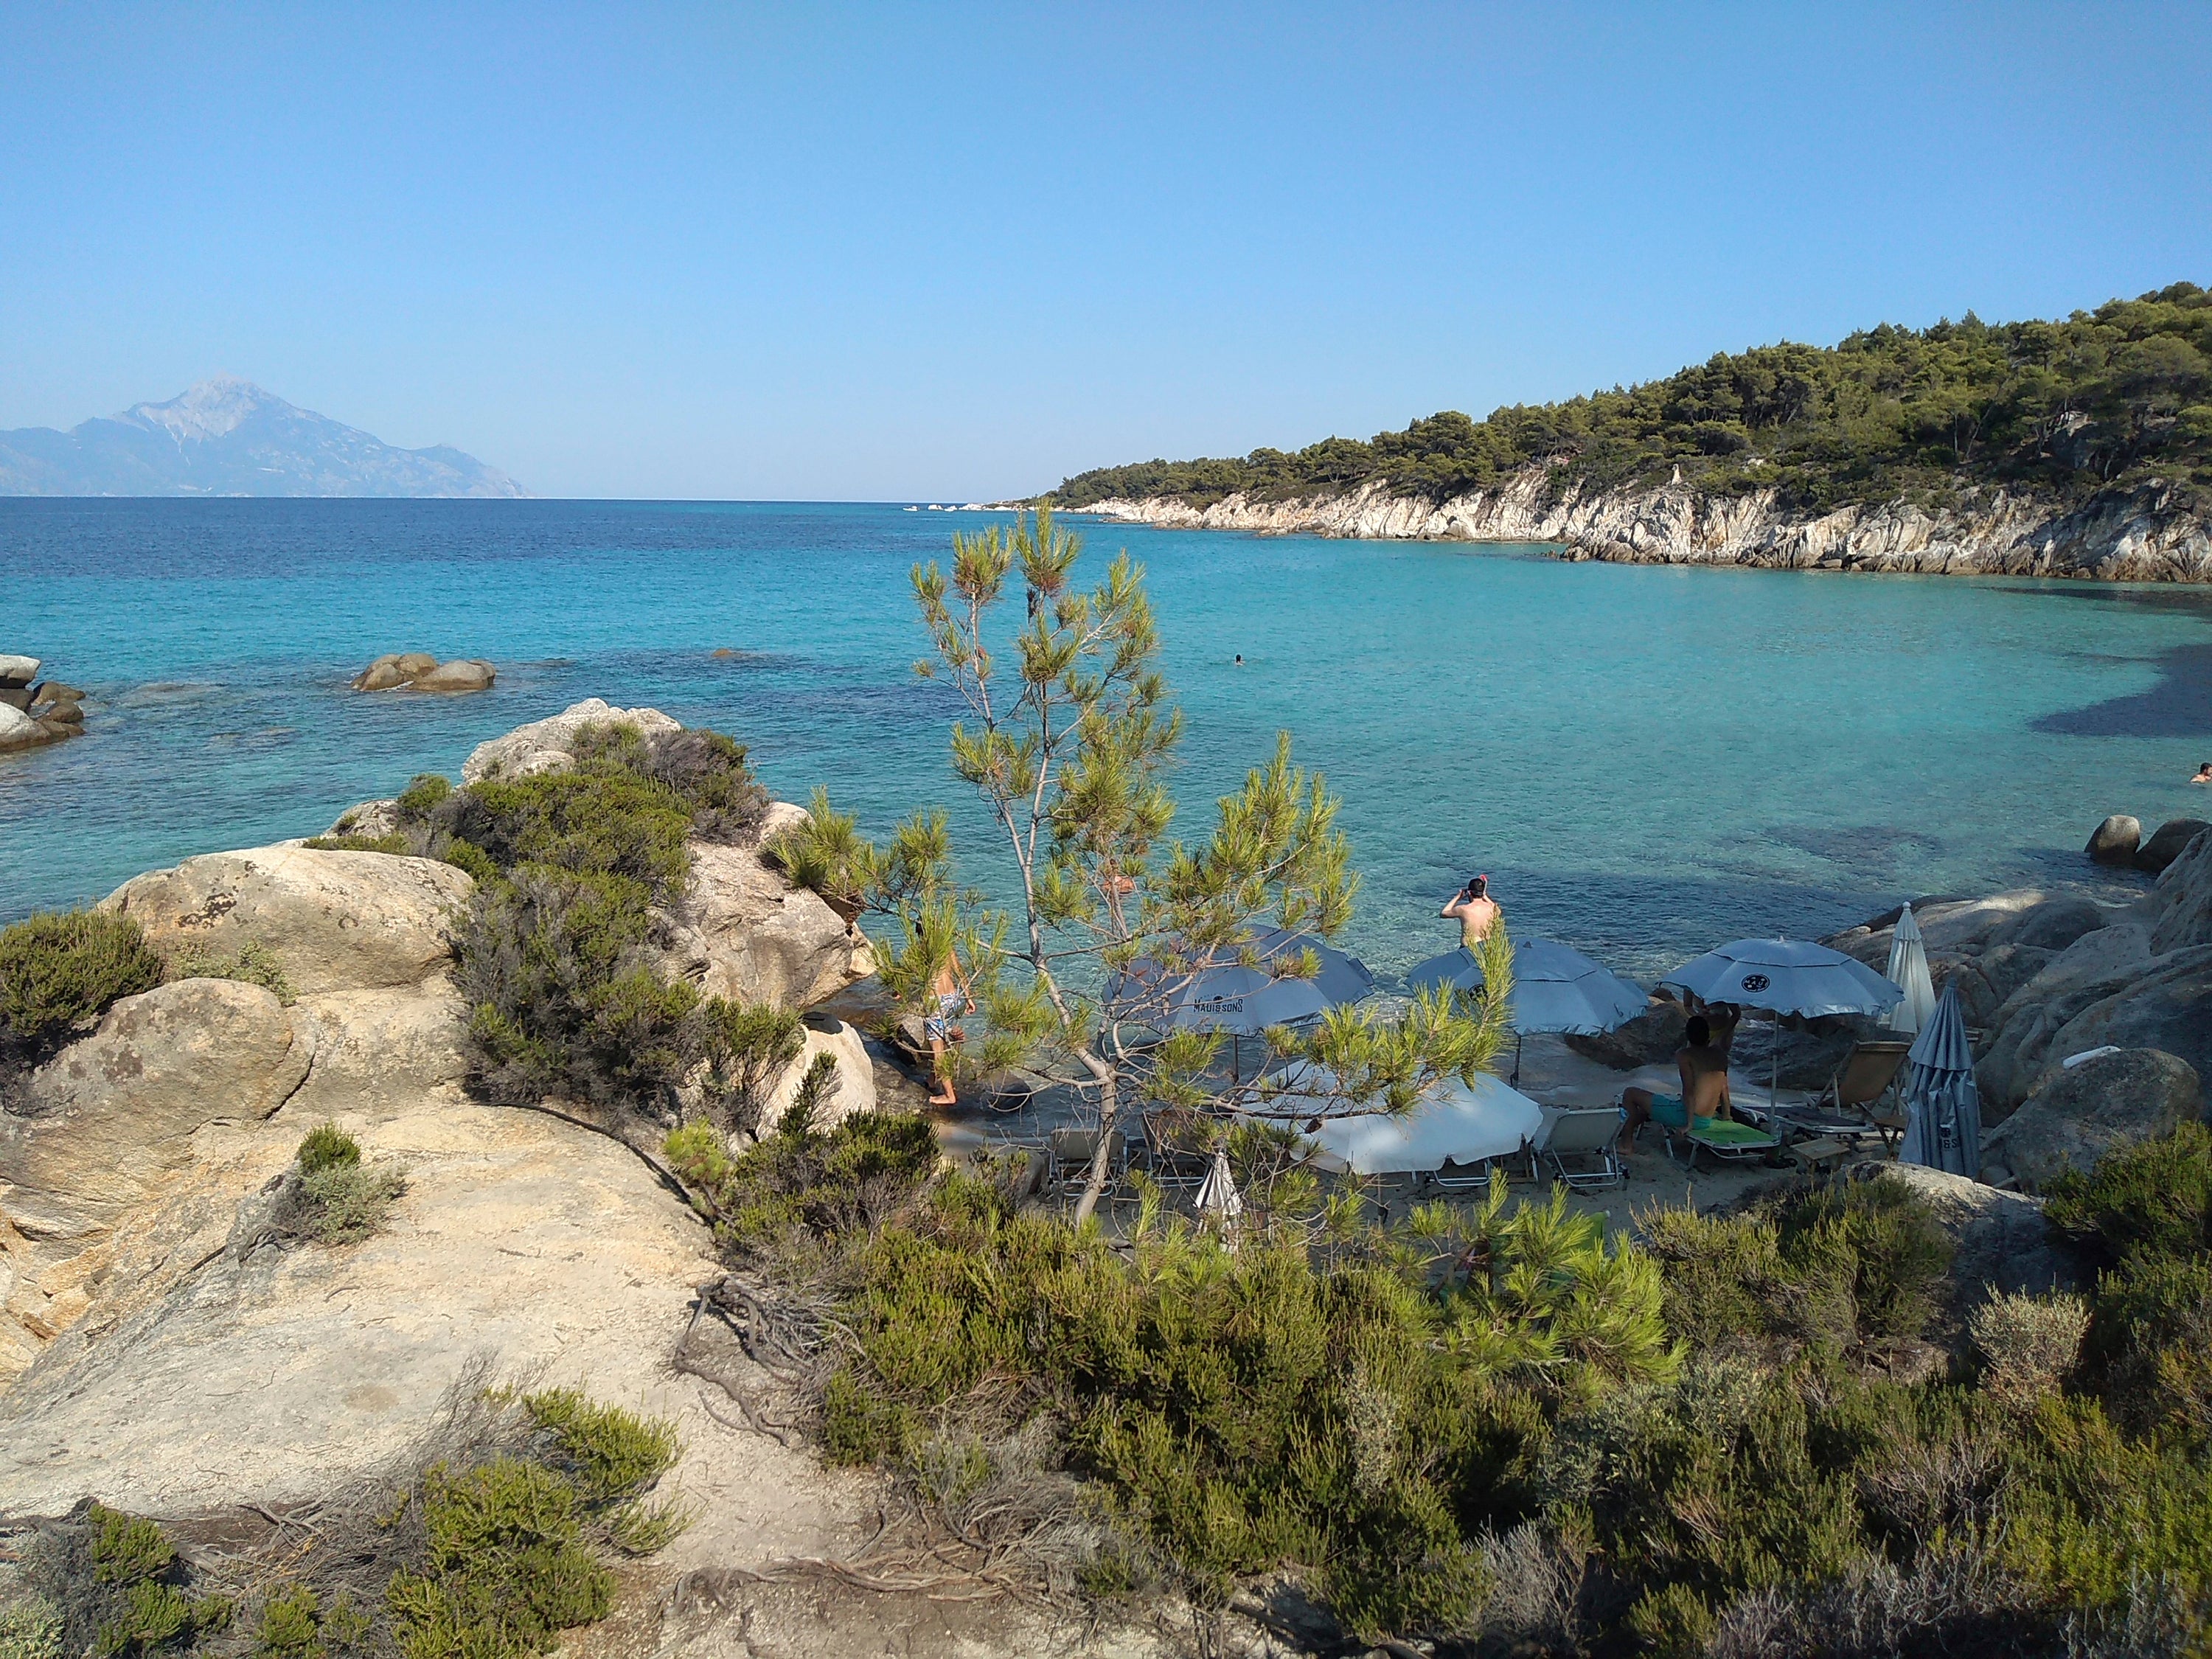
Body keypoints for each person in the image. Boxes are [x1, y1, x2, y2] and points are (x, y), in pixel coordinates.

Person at [1621, 1013, 1733, 1147]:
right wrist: (1727, 1116)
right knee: (1646, 1107)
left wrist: (1689, 1125)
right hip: (1706, 1119)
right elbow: (1724, 1088)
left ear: (1687, 1035)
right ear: (1708, 1034)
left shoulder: (1685, 1055)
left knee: (1630, 1093)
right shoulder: (1719, 1054)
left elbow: (1689, 1090)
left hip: (1687, 1117)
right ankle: (1625, 1129)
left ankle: (1626, 1145)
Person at [923, 950, 972, 1109]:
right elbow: (959, 971)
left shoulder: (921, 948)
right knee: (943, 1041)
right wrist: (969, 997)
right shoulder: (947, 946)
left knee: (937, 1049)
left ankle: (949, 1095)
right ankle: (933, 1078)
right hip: (953, 998)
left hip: (935, 1001)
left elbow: (909, 975)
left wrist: (897, 991)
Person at [1440, 874, 1500, 950]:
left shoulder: (1463, 909)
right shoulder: (1492, 908)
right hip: (1487, 947)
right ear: (1482, 893)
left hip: (1468, 949)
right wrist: (1485, 896)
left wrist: (1457, 897)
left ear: (1469, 893)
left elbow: (1443, 913)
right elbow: (1498, 910)